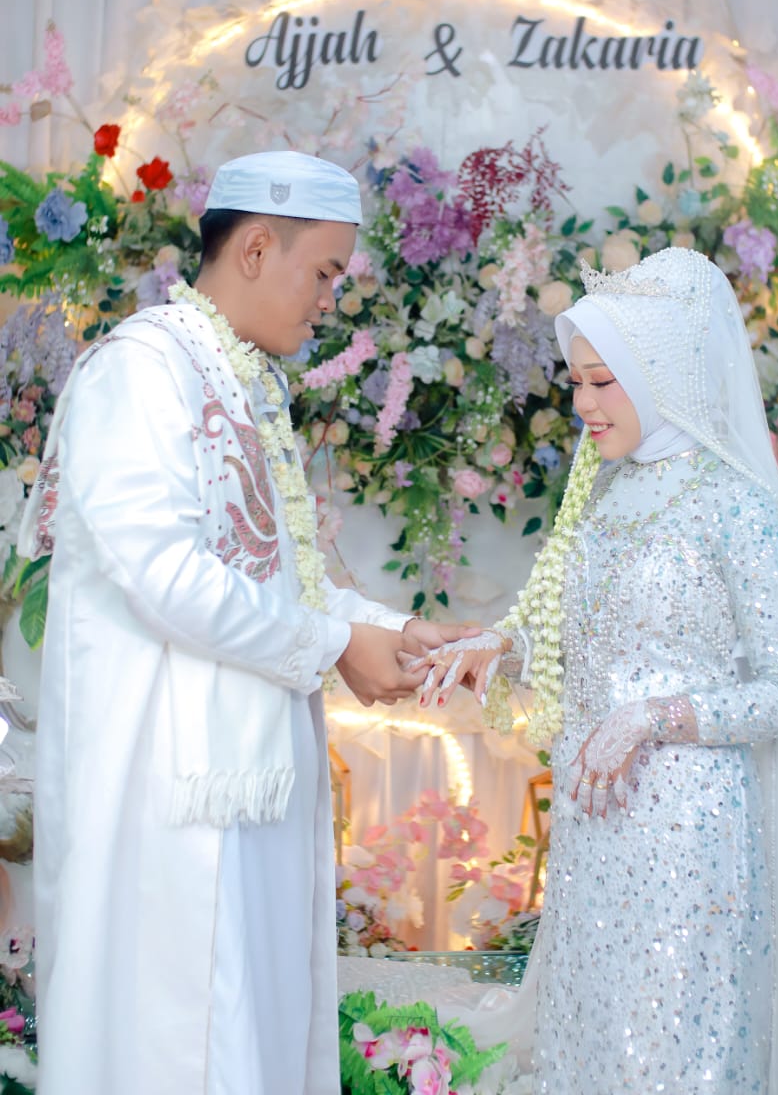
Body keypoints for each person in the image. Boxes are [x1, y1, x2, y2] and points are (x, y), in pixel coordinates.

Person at [19, 150, 479, 1095]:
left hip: (250, 788)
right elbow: (165, 574)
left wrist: (383, 628)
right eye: (326, 273)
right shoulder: (141, 370)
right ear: (258, 248)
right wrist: (335, 645)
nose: (330, 303)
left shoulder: (242, 380)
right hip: (164, 796)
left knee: (251, 1037)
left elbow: (271, 568)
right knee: (173, 1043)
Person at [418, 246, 778, 1093]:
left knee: (674, 1055)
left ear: (663, 374)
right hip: (596, 828)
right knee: (592, 1045)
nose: (582, 404)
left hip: (691, 840)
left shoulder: (737, 505)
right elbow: (593, 636)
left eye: (602, 381)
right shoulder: (607, 491)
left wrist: (652, 718)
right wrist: (503, 647)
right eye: (576, 382)